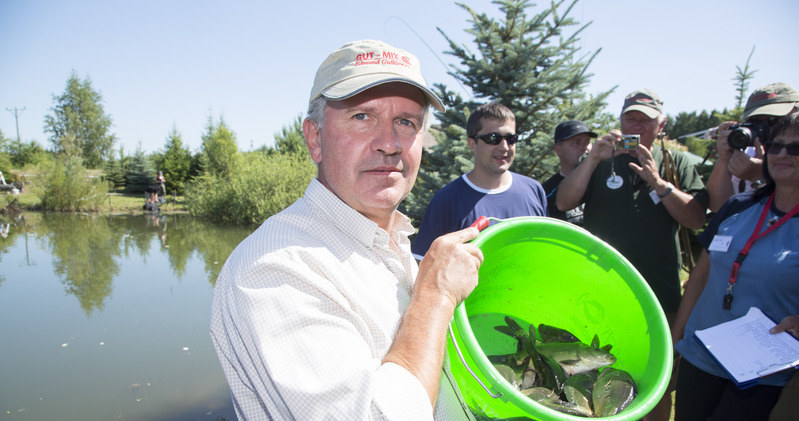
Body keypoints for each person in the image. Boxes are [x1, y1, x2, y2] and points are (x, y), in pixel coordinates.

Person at [209, 39, 484, 420]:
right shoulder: (273, 269)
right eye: (362, 116)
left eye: (406, 122)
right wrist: (435, 294)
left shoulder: (394, 241)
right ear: (315, 138)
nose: (389, 144)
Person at [556, 89, 709, 421]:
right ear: (620, 120)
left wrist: (657, 182)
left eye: (646, 120)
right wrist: (593, 158)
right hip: (599, 293)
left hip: (659, 294)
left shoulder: (676, 162)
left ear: (661, 125)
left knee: (657, 383)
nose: (636, 126)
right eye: (631, 118)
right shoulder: (602, 158)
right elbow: (564, 201)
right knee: (597, 378)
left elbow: (696, 219)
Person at [672, 110, 799, 421]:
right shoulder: (737, 206)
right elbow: (699, 278)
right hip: (700, 355)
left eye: (796, 148)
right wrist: (676, 342)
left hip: (760, 372)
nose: (783, 154)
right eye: (777, 145)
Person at [411, 102, 547, 260]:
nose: (504, 147)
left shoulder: (533, 191)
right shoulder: (446, 201)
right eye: (493, 138)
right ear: (472, 144)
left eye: (511, 138)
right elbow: (423, 266)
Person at [707, 83, 799, 212]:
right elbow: (719, 207)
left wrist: (763, 174)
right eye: (757, 121)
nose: (764, 128)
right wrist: (724, 159)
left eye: (773, 120)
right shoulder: (748, 154)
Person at [542, 120, 596, 225]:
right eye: (576, 142)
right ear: (559, 150)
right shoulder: (545, 192)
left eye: (588, 142)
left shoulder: (603, 179)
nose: (585, 147)